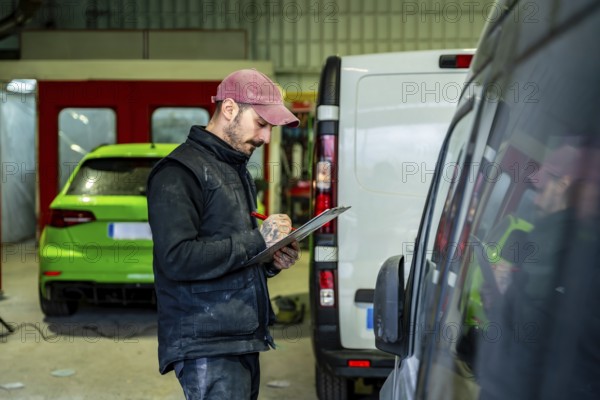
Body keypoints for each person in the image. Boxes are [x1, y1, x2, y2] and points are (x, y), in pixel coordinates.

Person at [146, 69, 301, 400]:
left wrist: (270, 259)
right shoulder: (178, 173)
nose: (266, 137)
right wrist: (260, 239)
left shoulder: (234, 170)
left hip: (239, 335)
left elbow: (230, 251)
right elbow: (177, 259)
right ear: (230, 109)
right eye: (262, 123)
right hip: (206, 341)